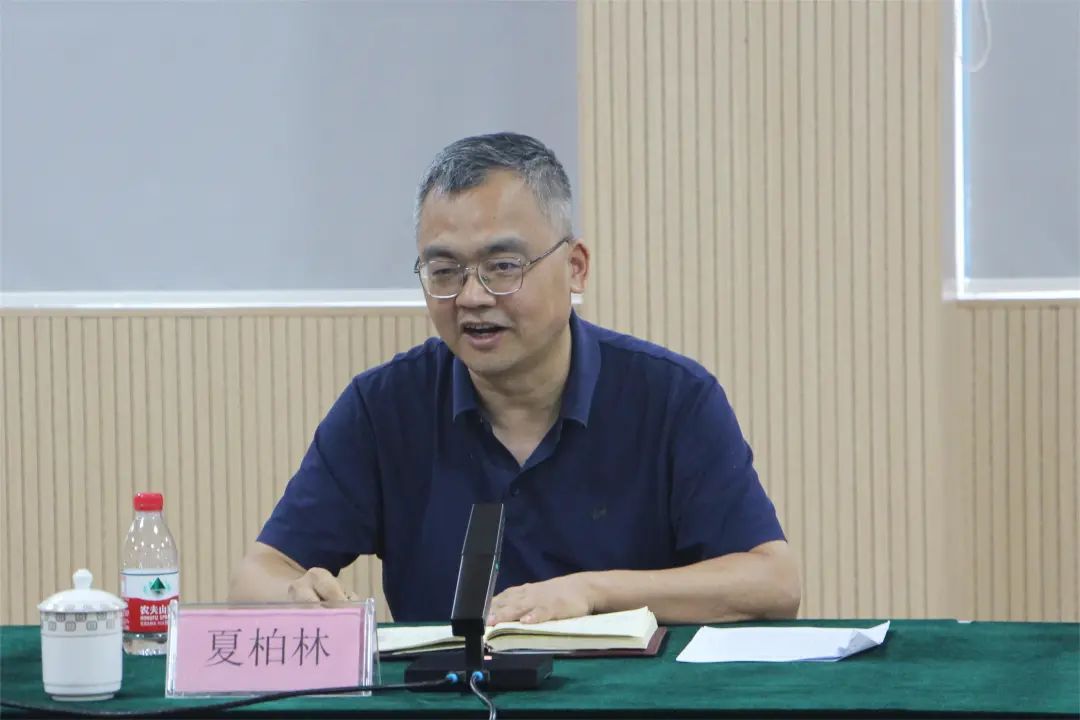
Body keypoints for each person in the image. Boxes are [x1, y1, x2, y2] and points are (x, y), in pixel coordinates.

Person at [229, 132, 800, 625]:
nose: (472, 297)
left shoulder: (671, 397)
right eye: (444, 270)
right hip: (449, 699)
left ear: (575, 267)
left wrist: (594, 592)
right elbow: (259, 574)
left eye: (503, 267)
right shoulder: (383, 408)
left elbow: (772, 583)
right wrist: (297, 596)